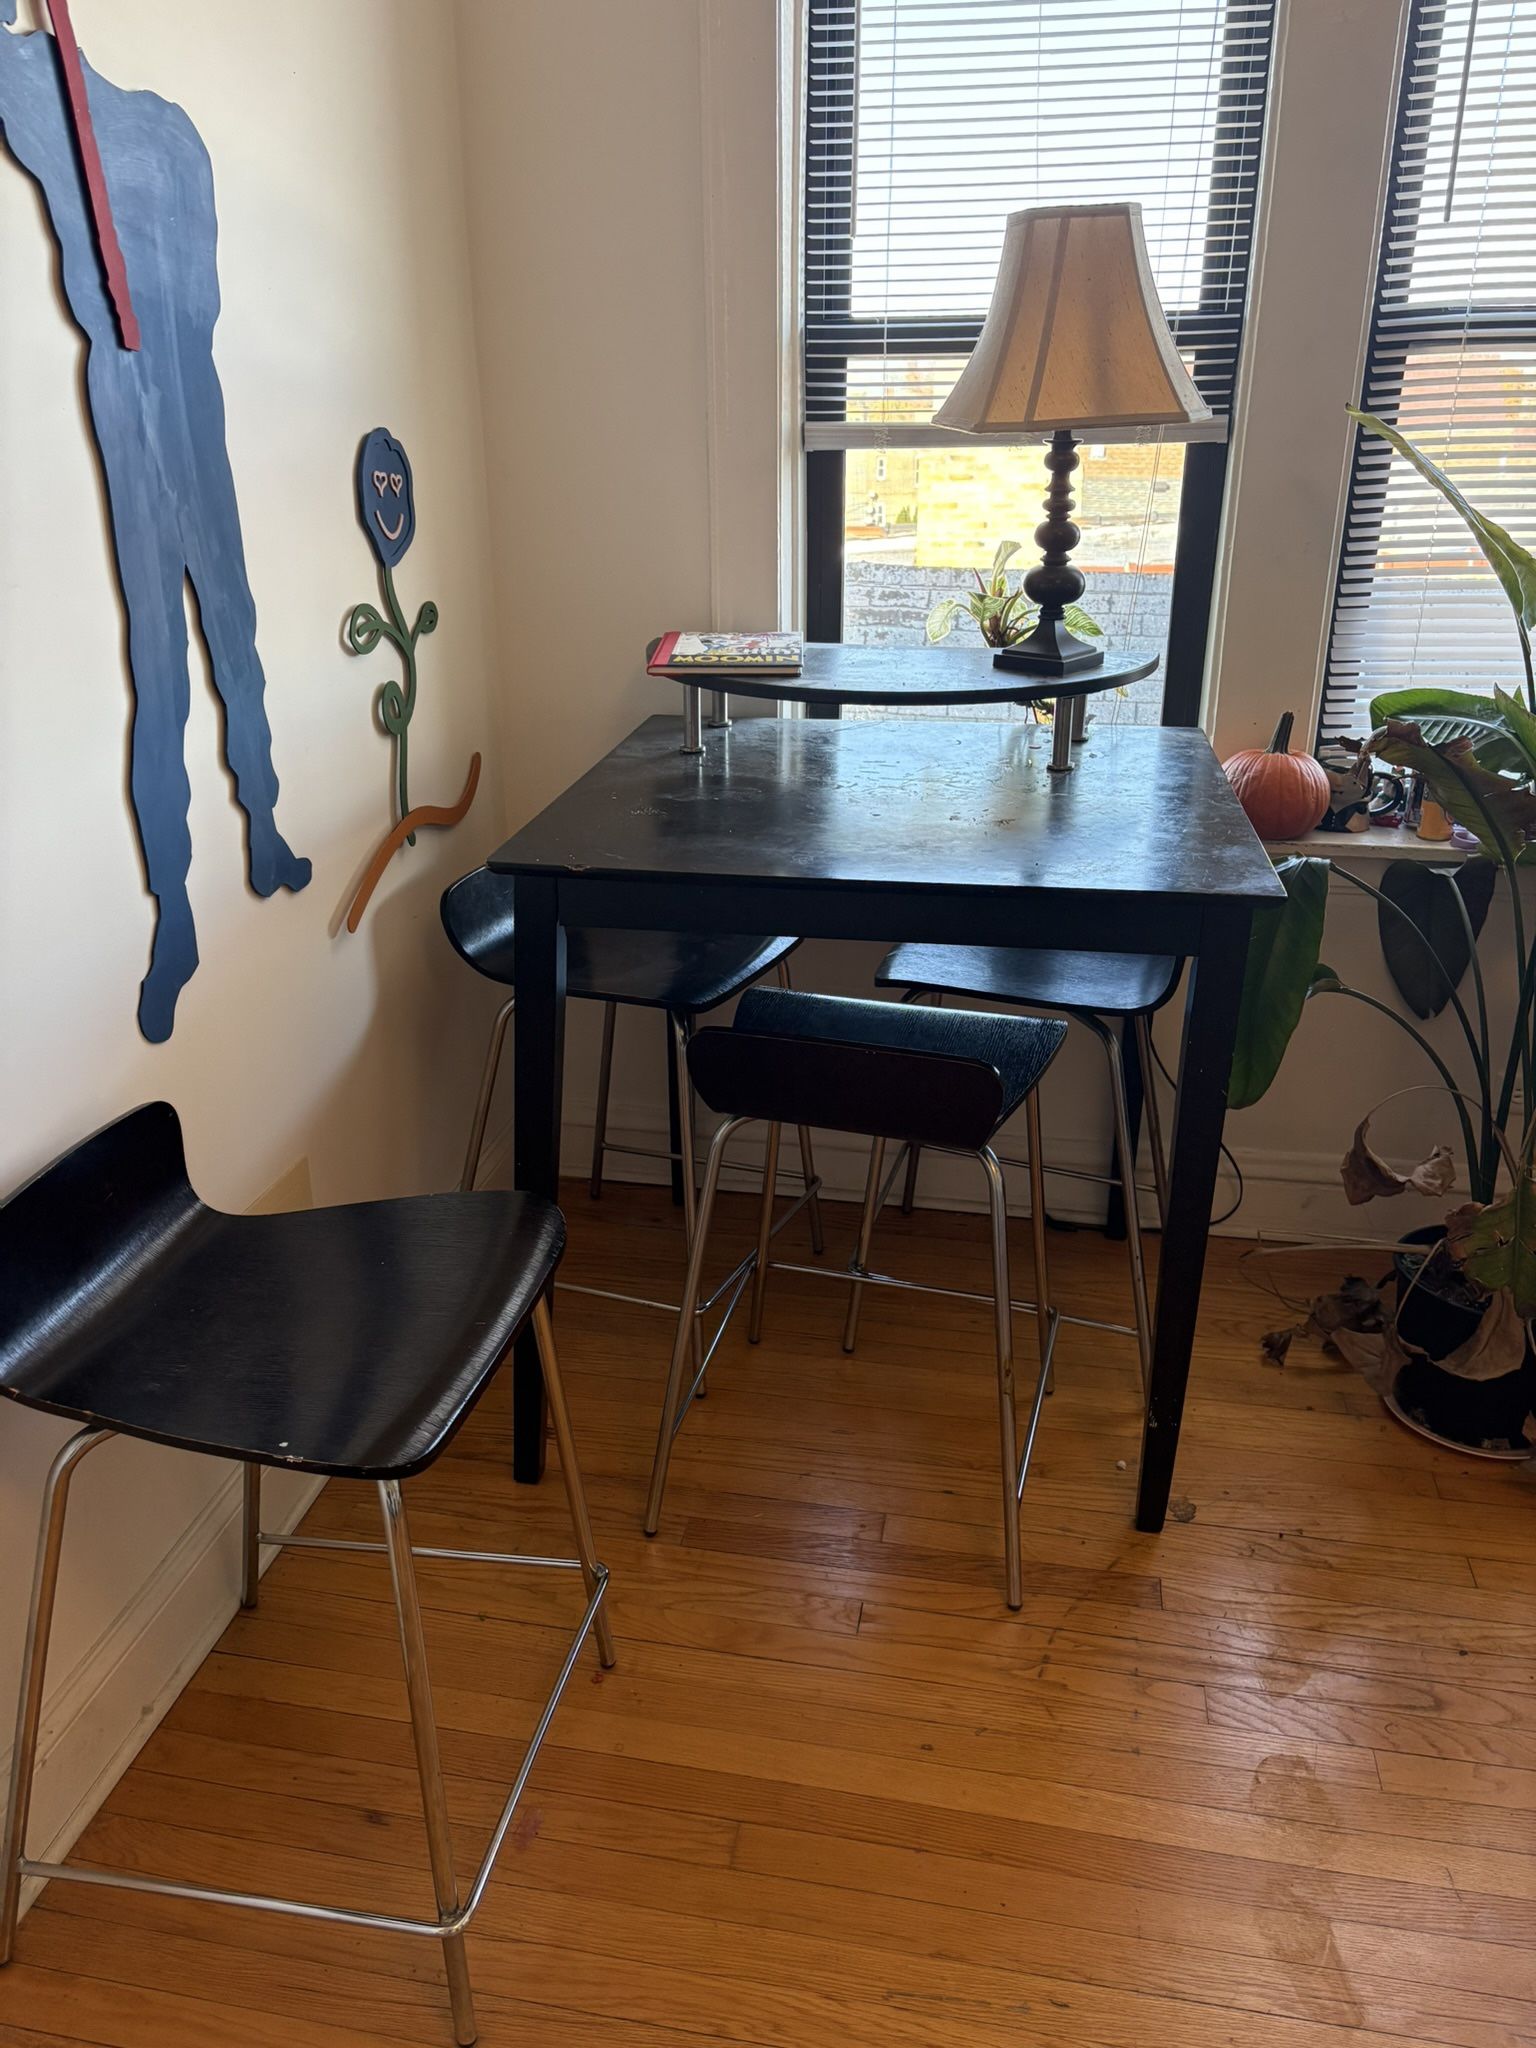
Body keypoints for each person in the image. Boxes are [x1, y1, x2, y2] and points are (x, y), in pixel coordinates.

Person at [0, 5, 310, 1041]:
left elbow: (201, 300)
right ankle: (176, 914)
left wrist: (161, 346)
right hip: (128, 391)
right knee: (161, 663)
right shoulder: (49, 107)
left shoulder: (166, 133)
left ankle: (263, 829)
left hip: (180, 389)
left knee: (232, 626)